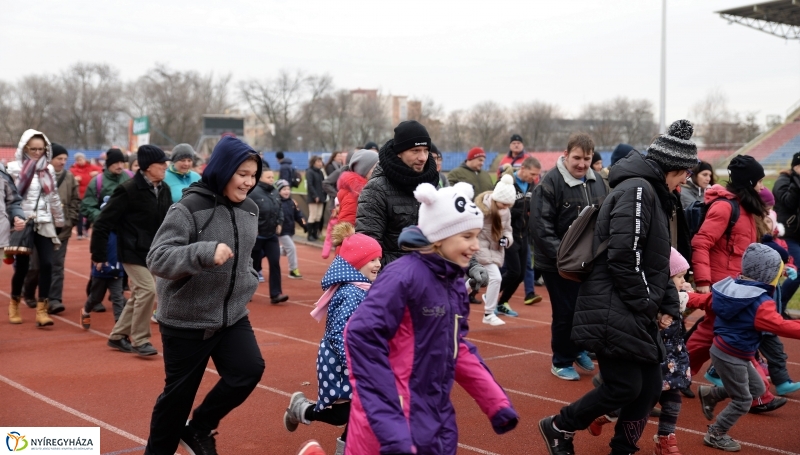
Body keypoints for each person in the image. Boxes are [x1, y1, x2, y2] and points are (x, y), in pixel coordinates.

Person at [539, 120, 693, 455]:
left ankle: (623, 447)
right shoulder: (638, 190)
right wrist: (647, 304)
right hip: (614, 305)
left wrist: (665, 303)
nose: (686, 180)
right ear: (672, 167)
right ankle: (560, 426)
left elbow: (658, 260)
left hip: (632, 304)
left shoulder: (653, 193)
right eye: (685, 172)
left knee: (650, 386)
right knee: (624, 387)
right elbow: (625, 255)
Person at [344, 181, 519, 454]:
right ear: (439, 236)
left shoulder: (454, 283)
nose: (475, 246)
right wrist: (391, 423)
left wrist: (495, 401)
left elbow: (456, 347)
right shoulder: (402, 277)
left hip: (434, 416)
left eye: (476, 236)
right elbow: (361, 338)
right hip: (391, 422)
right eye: (467, 236)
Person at [143, 136, 265, 455]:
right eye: (242, 174)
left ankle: (198, 429)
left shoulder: (250, 210)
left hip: (231, 316)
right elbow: (157, 258)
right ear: (224, 170)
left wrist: (248, 279)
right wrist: (203, 252)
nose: (248, 182)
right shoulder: (188, 208)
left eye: (253, 175)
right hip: (186, 320)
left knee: (248, 371)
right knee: (176, 401)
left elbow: (247, 257)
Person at [283, 222, 382, 455]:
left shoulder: (362, 287)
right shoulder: (351, 293)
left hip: (358, 360)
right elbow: (338, 332)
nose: (378, 264)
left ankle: (345, 450)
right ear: (357, 263)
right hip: (340, 362)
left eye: (379, 258)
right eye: (372, 260)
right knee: (342, 413)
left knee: (364, 408)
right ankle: (301, 409)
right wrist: (353, 362)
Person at [698, 244, 800, 451]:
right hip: (731, 354)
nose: (779, 276)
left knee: (758, 388)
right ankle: (716, 434)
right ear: (767, 275)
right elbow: (780, 325)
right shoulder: (761, 303)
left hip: (730, 351)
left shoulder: (732, 288)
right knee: (743, 399)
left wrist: (686, 298)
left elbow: (706, 300)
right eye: (777, 272)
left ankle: (713, 394)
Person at [532, 133, 608, 381]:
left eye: (586, 159)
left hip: (588, 261)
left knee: (586, 310)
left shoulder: (598, 181)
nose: (582, 164)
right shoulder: (550, 183)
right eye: (576, 158)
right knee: (565, 312)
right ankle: (561, 360)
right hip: (558, 263)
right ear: (565, 155)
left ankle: (577, 348)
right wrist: (565, 257)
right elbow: (541, 228)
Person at [91, 145, 171, 356]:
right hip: (131, 250)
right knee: (147, 290)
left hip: (153, 251)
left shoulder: (164, 189)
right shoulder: (127, 190)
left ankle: (117, 336)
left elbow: (167, 222)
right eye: (161, 163)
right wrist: (98, 255)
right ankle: (140, 339)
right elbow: (102, 224)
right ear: (146, 167)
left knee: (139, 294)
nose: (165, 166)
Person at [7, 129, 64, 327]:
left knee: (47, 264)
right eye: (34, 148)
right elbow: (6, 197)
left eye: (41, 149)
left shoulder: (48, 170)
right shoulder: (13, 168)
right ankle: (14, 303)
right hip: (22, 221)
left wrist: (59, 221)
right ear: (25, 148)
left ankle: (42, 310)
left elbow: (54, 196)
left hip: (44, 221)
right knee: (23, 267)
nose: (37, 152)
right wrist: (12, 219)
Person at [22, 143, 79, 315]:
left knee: (57, 265)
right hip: (40, 228)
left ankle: (53, 300)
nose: (63, 162)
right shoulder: (35, 176)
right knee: (37, 266)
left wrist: (71, 219)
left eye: (65, 159)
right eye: (59, 158)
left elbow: (76, 200)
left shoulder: (69, 178)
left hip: (62, 229)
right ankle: (29, 291)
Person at [475, 174, 516, 326]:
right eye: (503, 203)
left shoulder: (506, 212)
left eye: (508, 204)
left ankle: (452, 299)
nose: (505, 207)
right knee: (496, 278)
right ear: (496, 198)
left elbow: (507, 230)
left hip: (496, 249)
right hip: (480, 248)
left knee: (473, 280)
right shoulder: (481, 209)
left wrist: (507, 240)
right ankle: (489, 313)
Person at [80, 195, 126, 327]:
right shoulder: (100, 232)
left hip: (117, 270)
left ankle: (119, 326)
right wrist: (98, 260)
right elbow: (95, 248)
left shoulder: (122, 232)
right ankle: (86, 311)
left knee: (117, 298)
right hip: (101, 269)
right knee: (95, 297)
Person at [248, 168, 288, 303]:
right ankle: (246, 292)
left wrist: (280, 222)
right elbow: (247, 211)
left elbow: (280, 209)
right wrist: (253, 227)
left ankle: (276, 294)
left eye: (272, 177)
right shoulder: (253, 193)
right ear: (260, 178)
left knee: (275, 262)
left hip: (271, 236)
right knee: (253, 265)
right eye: (268, 177)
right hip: (257, 236)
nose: (272, 180)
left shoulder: (275, 192)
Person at [80, 148, 133, 228]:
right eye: (116, 163)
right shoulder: (97, 181)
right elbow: (87, 206)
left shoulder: (131, 176)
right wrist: (102, 218)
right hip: (107, 230)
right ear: (109, 164)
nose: (120, 166)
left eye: (122, 162)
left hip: (130, 228)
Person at [336, 149, 378, 226]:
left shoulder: (366, 190)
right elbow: (346, 231)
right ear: (363, 171)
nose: (379, 170)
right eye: (375, 168)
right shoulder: (353, 196)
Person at [277, 179, 306, 283]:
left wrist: (304, 225)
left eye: (288, 189)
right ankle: (293, 270)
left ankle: (267, 251)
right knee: (292, 248)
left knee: (285, 250)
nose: (286, 191)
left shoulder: (292, 202)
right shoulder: (277, 202)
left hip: (290, 230)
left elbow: (299, 215)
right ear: (279, 191)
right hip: (282, 231)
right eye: (284, 189)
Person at [70, 151, 101, 240]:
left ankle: (86, 228)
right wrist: (74, 179)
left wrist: (97, 173)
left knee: (89, 214)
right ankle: (79, 233)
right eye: (78, 160)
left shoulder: (91, 167)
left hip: (90, 195)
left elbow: (102, 170)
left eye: (81, 159)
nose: (80, 161)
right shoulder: (73, 170)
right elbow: (69, 178)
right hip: (79, 195)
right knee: (79, 215)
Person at [306, 155, 326, 242]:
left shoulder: (320, 172)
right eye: (318, 161)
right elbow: (310, 185)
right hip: (313, 198)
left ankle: (315, 234)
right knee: (313, 216)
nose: (320, 163)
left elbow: (323, 184)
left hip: (321, 197)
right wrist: (315, 196)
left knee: (318, 216)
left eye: (320, 162)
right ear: (313, 162)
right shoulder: (310, 172)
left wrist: (323, 195)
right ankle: (309, 234)